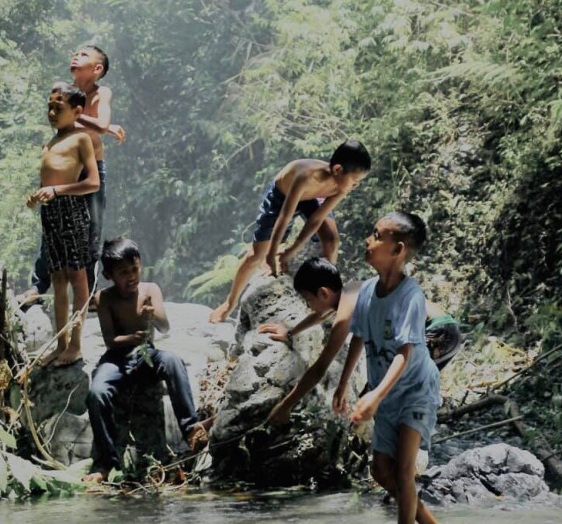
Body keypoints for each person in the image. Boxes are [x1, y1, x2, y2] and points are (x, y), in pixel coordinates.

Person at [260, 257, 462, 425]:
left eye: (308, 300)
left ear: (323, 292)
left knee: (378, 396)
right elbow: (329, 320)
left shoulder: (345, 313)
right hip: (445, 333)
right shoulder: (352, 292)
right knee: (373, 395)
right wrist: (290, 333)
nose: (308, 306)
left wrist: (286, 405)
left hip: (437, 333)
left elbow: (320, 367)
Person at [333, 212, 440, 524]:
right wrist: (343, 385)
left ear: (397, 250)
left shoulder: (411, 296)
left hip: (415, 391)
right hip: (388, 393)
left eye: (378, 236)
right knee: (380, 470)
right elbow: (359, 337)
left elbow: (404, 353)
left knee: (404, 472)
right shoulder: (366, 291)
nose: (369, 240)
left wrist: (375, 396)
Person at [83, 237, 209, 483]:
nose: (131, 276)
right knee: (96, 393)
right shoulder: (105, 298)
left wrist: (152, 315)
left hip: (146, 355)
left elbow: (164, 327)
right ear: (109, 275)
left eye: (135, 269)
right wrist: (133, 335)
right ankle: (106, 463)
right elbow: (110, 341)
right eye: (123, 272)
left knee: (172, 360)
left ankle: (191, 428)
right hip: (117, 359)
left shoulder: (150, 290)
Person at [208, 140, 371, 323]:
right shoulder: (305, 176)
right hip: (282, 196)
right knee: (257, 255)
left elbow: (316, 220)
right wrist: (271, 255)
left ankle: (327, 293)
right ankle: (229, 302)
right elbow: (285, 217)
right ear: (338, 170)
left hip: (312, 198)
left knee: (331, 240)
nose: (355, 186)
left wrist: (291, 252)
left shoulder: (341, 186)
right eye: (355, 181)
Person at [24, 46, 125, 299]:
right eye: (75, 54)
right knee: (52, 225)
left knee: (93, 226)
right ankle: (39, 285)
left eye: (83, 55)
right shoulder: (66, 92)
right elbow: (61, 120)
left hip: (92, 170)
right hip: (68, 168)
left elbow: (100, 125)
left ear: (97, 68)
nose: (75, 57)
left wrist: (99, 124)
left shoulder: (102, 93)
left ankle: (89, 291)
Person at [26, 82, 100, 367]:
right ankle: (61, 344)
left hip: (71, 209)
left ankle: (77, 345)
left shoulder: (81, 138)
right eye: (49, 106)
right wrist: (37, 195)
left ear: (77, 110)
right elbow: (48, 180)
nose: (52, 112)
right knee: (57, 278)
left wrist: (57, 191)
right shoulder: (52, 142)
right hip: (51, 213)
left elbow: (92, 182)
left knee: (77, 277)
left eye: (59, 107)